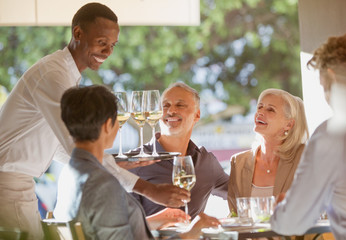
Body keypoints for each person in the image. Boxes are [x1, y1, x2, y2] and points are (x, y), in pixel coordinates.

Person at [0, 3, 188, 239]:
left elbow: (61, 147)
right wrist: (149, 189)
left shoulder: (66, 75)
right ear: (78, 33)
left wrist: (108, 162)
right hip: (8, 185)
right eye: (102, 42)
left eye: (112, 45)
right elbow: (74, 144)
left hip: (17, 184)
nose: (108, 52)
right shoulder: (53, 75)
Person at [54, 85, 220, 239]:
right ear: (107, 126)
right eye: (117, 120)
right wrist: (192, 233)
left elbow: (107, 227)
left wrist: (153, 221)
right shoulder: (103, 185)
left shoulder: (71, 172)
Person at [271, 33, 346, 239]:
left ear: (333, 76)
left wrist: (285, 207)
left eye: (324, 87)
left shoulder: (333, 136)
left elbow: (292, 222)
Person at [129, 82, 229, 219]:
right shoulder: (134, 162)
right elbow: (124, 225)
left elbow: (240, 194)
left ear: (197, 115)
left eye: (180, 105)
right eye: (165, 106)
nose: (171, 111)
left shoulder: (206, 162)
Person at [227, 88, 309, 213]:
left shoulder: (305, 156)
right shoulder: (238, 162)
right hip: (249, 233)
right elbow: (235, 215)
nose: (260, 112)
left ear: (289, 125)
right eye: (260, 107)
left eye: (270, 109)